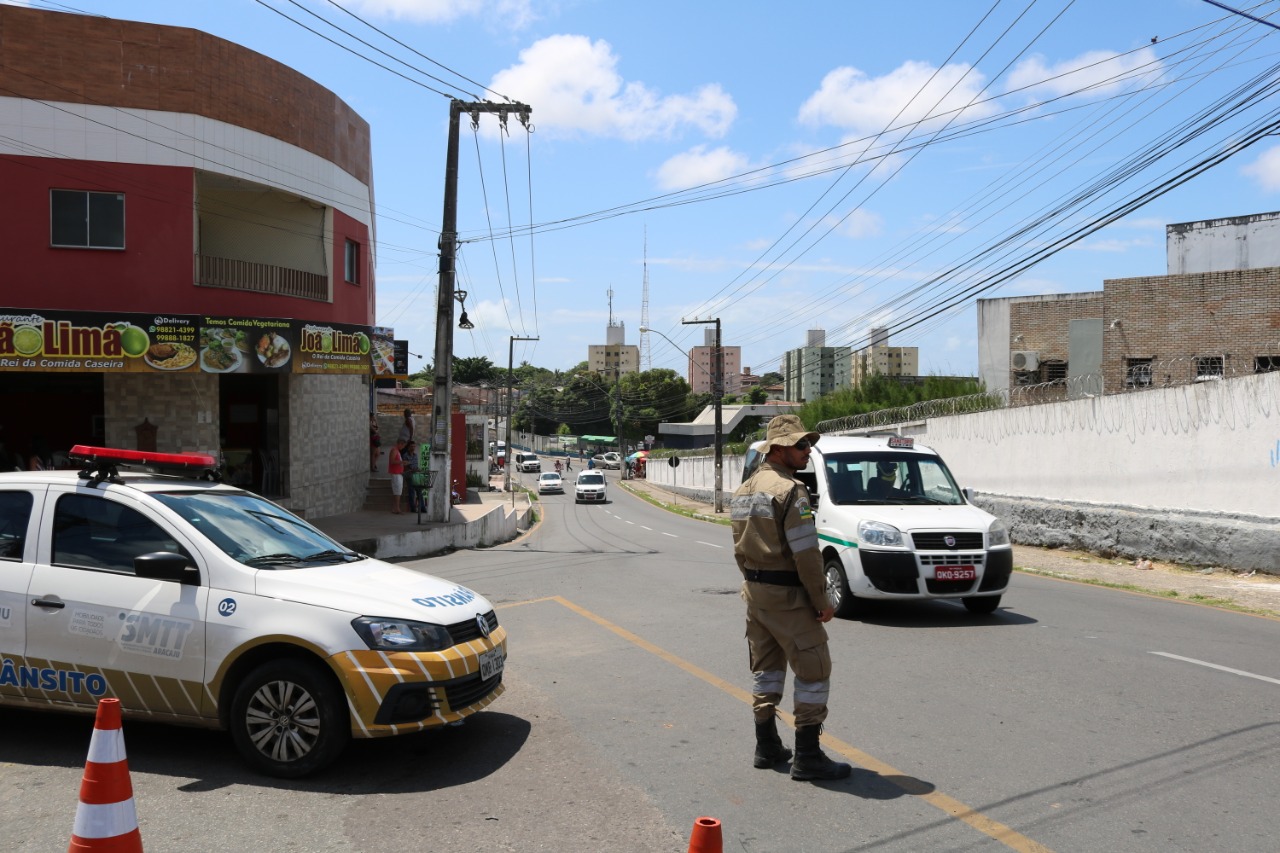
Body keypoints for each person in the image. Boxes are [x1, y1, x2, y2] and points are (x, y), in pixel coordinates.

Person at [730, 414, 851, 781]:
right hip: (789, 596)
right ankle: (808, 756)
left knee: (766, 670)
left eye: (808, 443)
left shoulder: (744, 490)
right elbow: (806, 554)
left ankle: (766, 745)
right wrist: (821, 601)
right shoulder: (791, 490)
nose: (807, 449)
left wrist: (756, 583)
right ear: (779, 449)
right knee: (814, 670)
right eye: (801, 445)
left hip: (755, 594)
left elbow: (739, 551)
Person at [387, 439, 405, 514]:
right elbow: (392, 461)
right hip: (396, 473)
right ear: (400, 444)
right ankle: (397, 508)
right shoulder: (394, 450)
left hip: (399, 473)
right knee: (397, 491)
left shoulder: (397, 451)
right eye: (403, 445)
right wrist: (402, 462)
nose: (403, 447)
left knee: (398, 491)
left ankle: (395, 507)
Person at [401, 440, 420, 511]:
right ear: (408, 447)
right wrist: (413, 470)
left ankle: (422, 507)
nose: (413, 448)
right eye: (411, 446)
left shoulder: (415, 455)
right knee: (411, 490)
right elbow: (405, 467)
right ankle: (413, 508)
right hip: (408, 474)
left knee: (419, 490)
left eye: (414, 446)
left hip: (415, 474)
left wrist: (417, 469)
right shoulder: (405, 455)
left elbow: (416, 466)